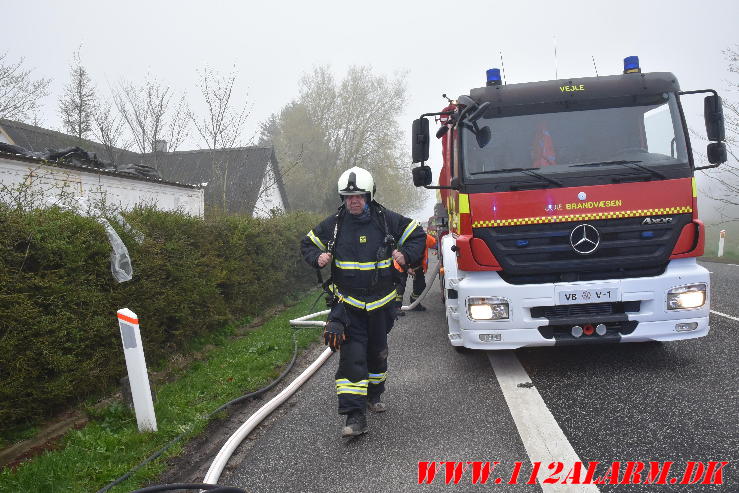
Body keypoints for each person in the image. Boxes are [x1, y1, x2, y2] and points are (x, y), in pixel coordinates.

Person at [301, 166, 426, 438]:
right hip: (348, 305)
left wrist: (405, 255)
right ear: (342, 199)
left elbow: (418, 236)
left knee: (377, 354)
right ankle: (354, 416)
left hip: (382, 304)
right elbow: (307, 244)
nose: (353, 201)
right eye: (348, 196)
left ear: (369, 196)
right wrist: (317, 258)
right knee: (352, 357)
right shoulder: (334, 225)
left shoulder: (387, 221)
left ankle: (374, 393)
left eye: (358, 195)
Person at [393, 233, 437, 313]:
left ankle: (414, 302)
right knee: (400, 286)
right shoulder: (405, 239)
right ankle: (396, 307)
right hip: (402, 265)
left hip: (418, 265)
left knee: (421, 285)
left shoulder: (425, 237)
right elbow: (400, 258)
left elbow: (435, 244)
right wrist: (407, 269)